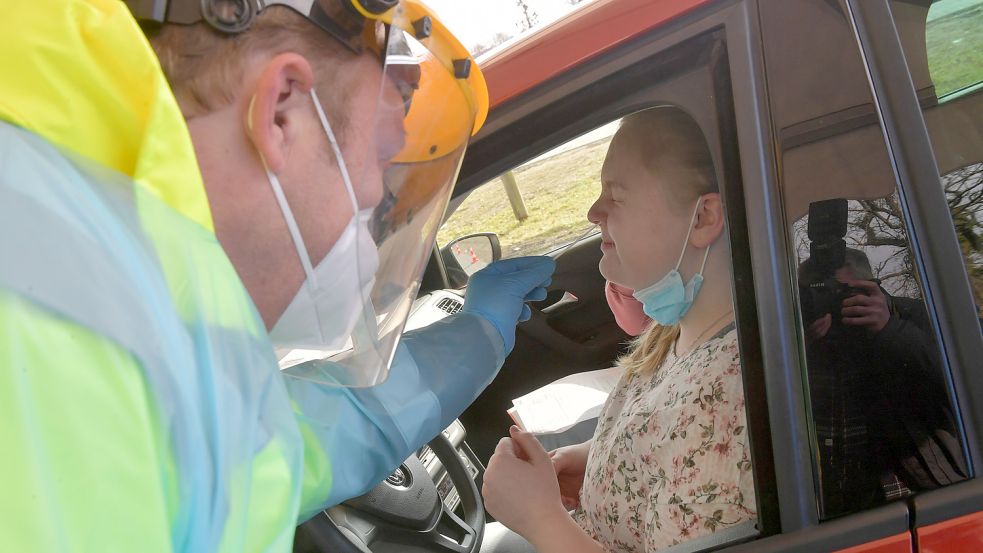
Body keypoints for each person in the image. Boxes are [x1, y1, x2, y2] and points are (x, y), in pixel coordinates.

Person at [0, 0, 554, 550]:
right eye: (382, 165)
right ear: (281, 112)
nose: (375, 205)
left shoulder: (115, 287)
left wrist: (476, 332)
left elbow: (287, 441)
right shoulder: (60, 327)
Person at [480, 107, 755, 553]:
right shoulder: (680, 329)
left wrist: (541, 517)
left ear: (703, 218)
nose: (593, 211)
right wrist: (595, 459)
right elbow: (663, 443)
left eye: (617, 195)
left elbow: (692, 447)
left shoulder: (725, 408)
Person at [798, 248, 967, 517]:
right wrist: (798, 354)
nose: (830, 303)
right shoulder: (797, 339)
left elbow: (967, 383)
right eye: (816, 295)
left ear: (871, 287)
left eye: (841, 293)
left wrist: (890, 331)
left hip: (924, 495)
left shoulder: (914, 317)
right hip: (839, 509)